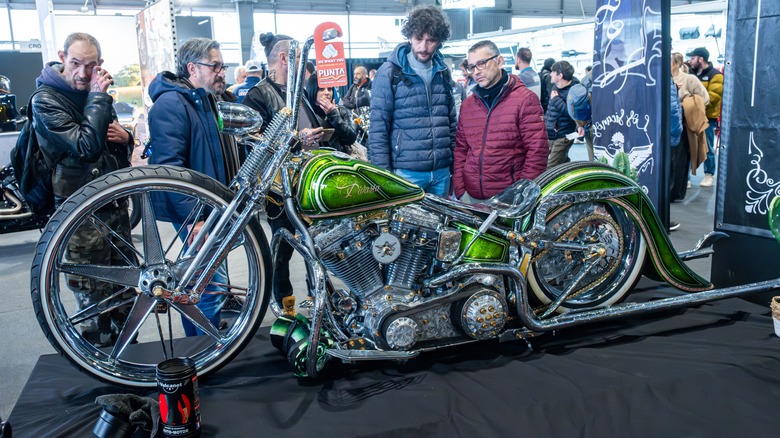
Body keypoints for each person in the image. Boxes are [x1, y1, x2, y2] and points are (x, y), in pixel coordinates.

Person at [32, 32, 134, 347]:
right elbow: (85, 146)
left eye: (90, 66)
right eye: (75, 63)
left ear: (99, 64)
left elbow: (113, 152)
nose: (82, 72)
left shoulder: (95, 93)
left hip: (114, 213)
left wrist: (127, 139)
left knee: (128, 299)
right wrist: (98, 97)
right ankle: (103, 378)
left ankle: (133, 370)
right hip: (80, 221)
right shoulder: (46, 99)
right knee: (94, 306)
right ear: (63, 58)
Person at [147, 37, 240, 336]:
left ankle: (203, 345)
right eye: (215, 66)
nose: (221, 72)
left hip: (215, 208)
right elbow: (169, 170)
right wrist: (195, 220)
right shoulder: (172, 104)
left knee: (207, 281)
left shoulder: (211, 100)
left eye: (223, 66)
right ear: (192, 68)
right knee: (206, 287)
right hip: (196, 213)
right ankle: (204, 351)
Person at [242, 32, 325, 310]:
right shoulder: (258, 95)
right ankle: (286, 309)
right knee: (281, 253)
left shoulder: (298, 93)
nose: (305, 65)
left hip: (309, 184)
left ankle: (318, 302)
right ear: (284, 58)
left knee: (317, 249)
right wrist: (297, 139)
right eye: (301, 58)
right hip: (281, 188)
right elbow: (255, 142)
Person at [368, 5, 457, 197]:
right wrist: (382, 175)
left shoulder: (442, 72)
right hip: (406, 173)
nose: (423, 47)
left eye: (431, 40)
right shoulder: (390, 72)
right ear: (409, 36)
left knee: (442, 226)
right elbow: (378, 128)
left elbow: (451, 123)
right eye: (418, 39)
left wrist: (454, 165)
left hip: (441, 172)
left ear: (439, 41)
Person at [453, 40, 548, 203]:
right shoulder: (468, 105)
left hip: (509, 198)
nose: (476, 72)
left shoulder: (524, 100)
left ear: (499, 61)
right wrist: (460, 190)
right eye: (471, 67)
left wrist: (521, 194)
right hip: (471, 197)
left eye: (481, 63)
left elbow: (537, 151)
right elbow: (461, 149)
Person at [671, 52, 709, 200]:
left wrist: (686, 106)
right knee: (670, 159)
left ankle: (675, 192)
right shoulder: (664, 78)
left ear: (676, 63)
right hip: (669, 123)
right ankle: (671, 191)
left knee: (680, 158)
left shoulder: (689, 79)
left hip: (684, 123)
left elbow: (704, 98)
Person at [687, 47, 723, 187]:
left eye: (693, 58)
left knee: (707, 147)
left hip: (707, 118)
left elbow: (713, 98)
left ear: (700, 59)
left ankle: (709, 174)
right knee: (688, 147)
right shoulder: (690, 73)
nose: (690, 60)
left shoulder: (716, 75)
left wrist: (690, 102)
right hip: (689, 117)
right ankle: (686, 177)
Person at [303, 74, 357, 152]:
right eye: (321, 89)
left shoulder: (341, 110)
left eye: (329, 89)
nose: (327, 93)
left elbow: (351, 139)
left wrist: (333, 114)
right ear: (313, 90)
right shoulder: (305, 111)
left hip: (336, 158)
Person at [545, 61, 578, 168]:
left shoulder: (574, 91)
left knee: (550, 168)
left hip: (563, 135)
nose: (550, 74)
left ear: (560, 75)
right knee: (563, 164)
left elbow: (572, 113)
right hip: (551, 134)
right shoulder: (555, 87)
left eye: (553, 72)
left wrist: (555, 100)